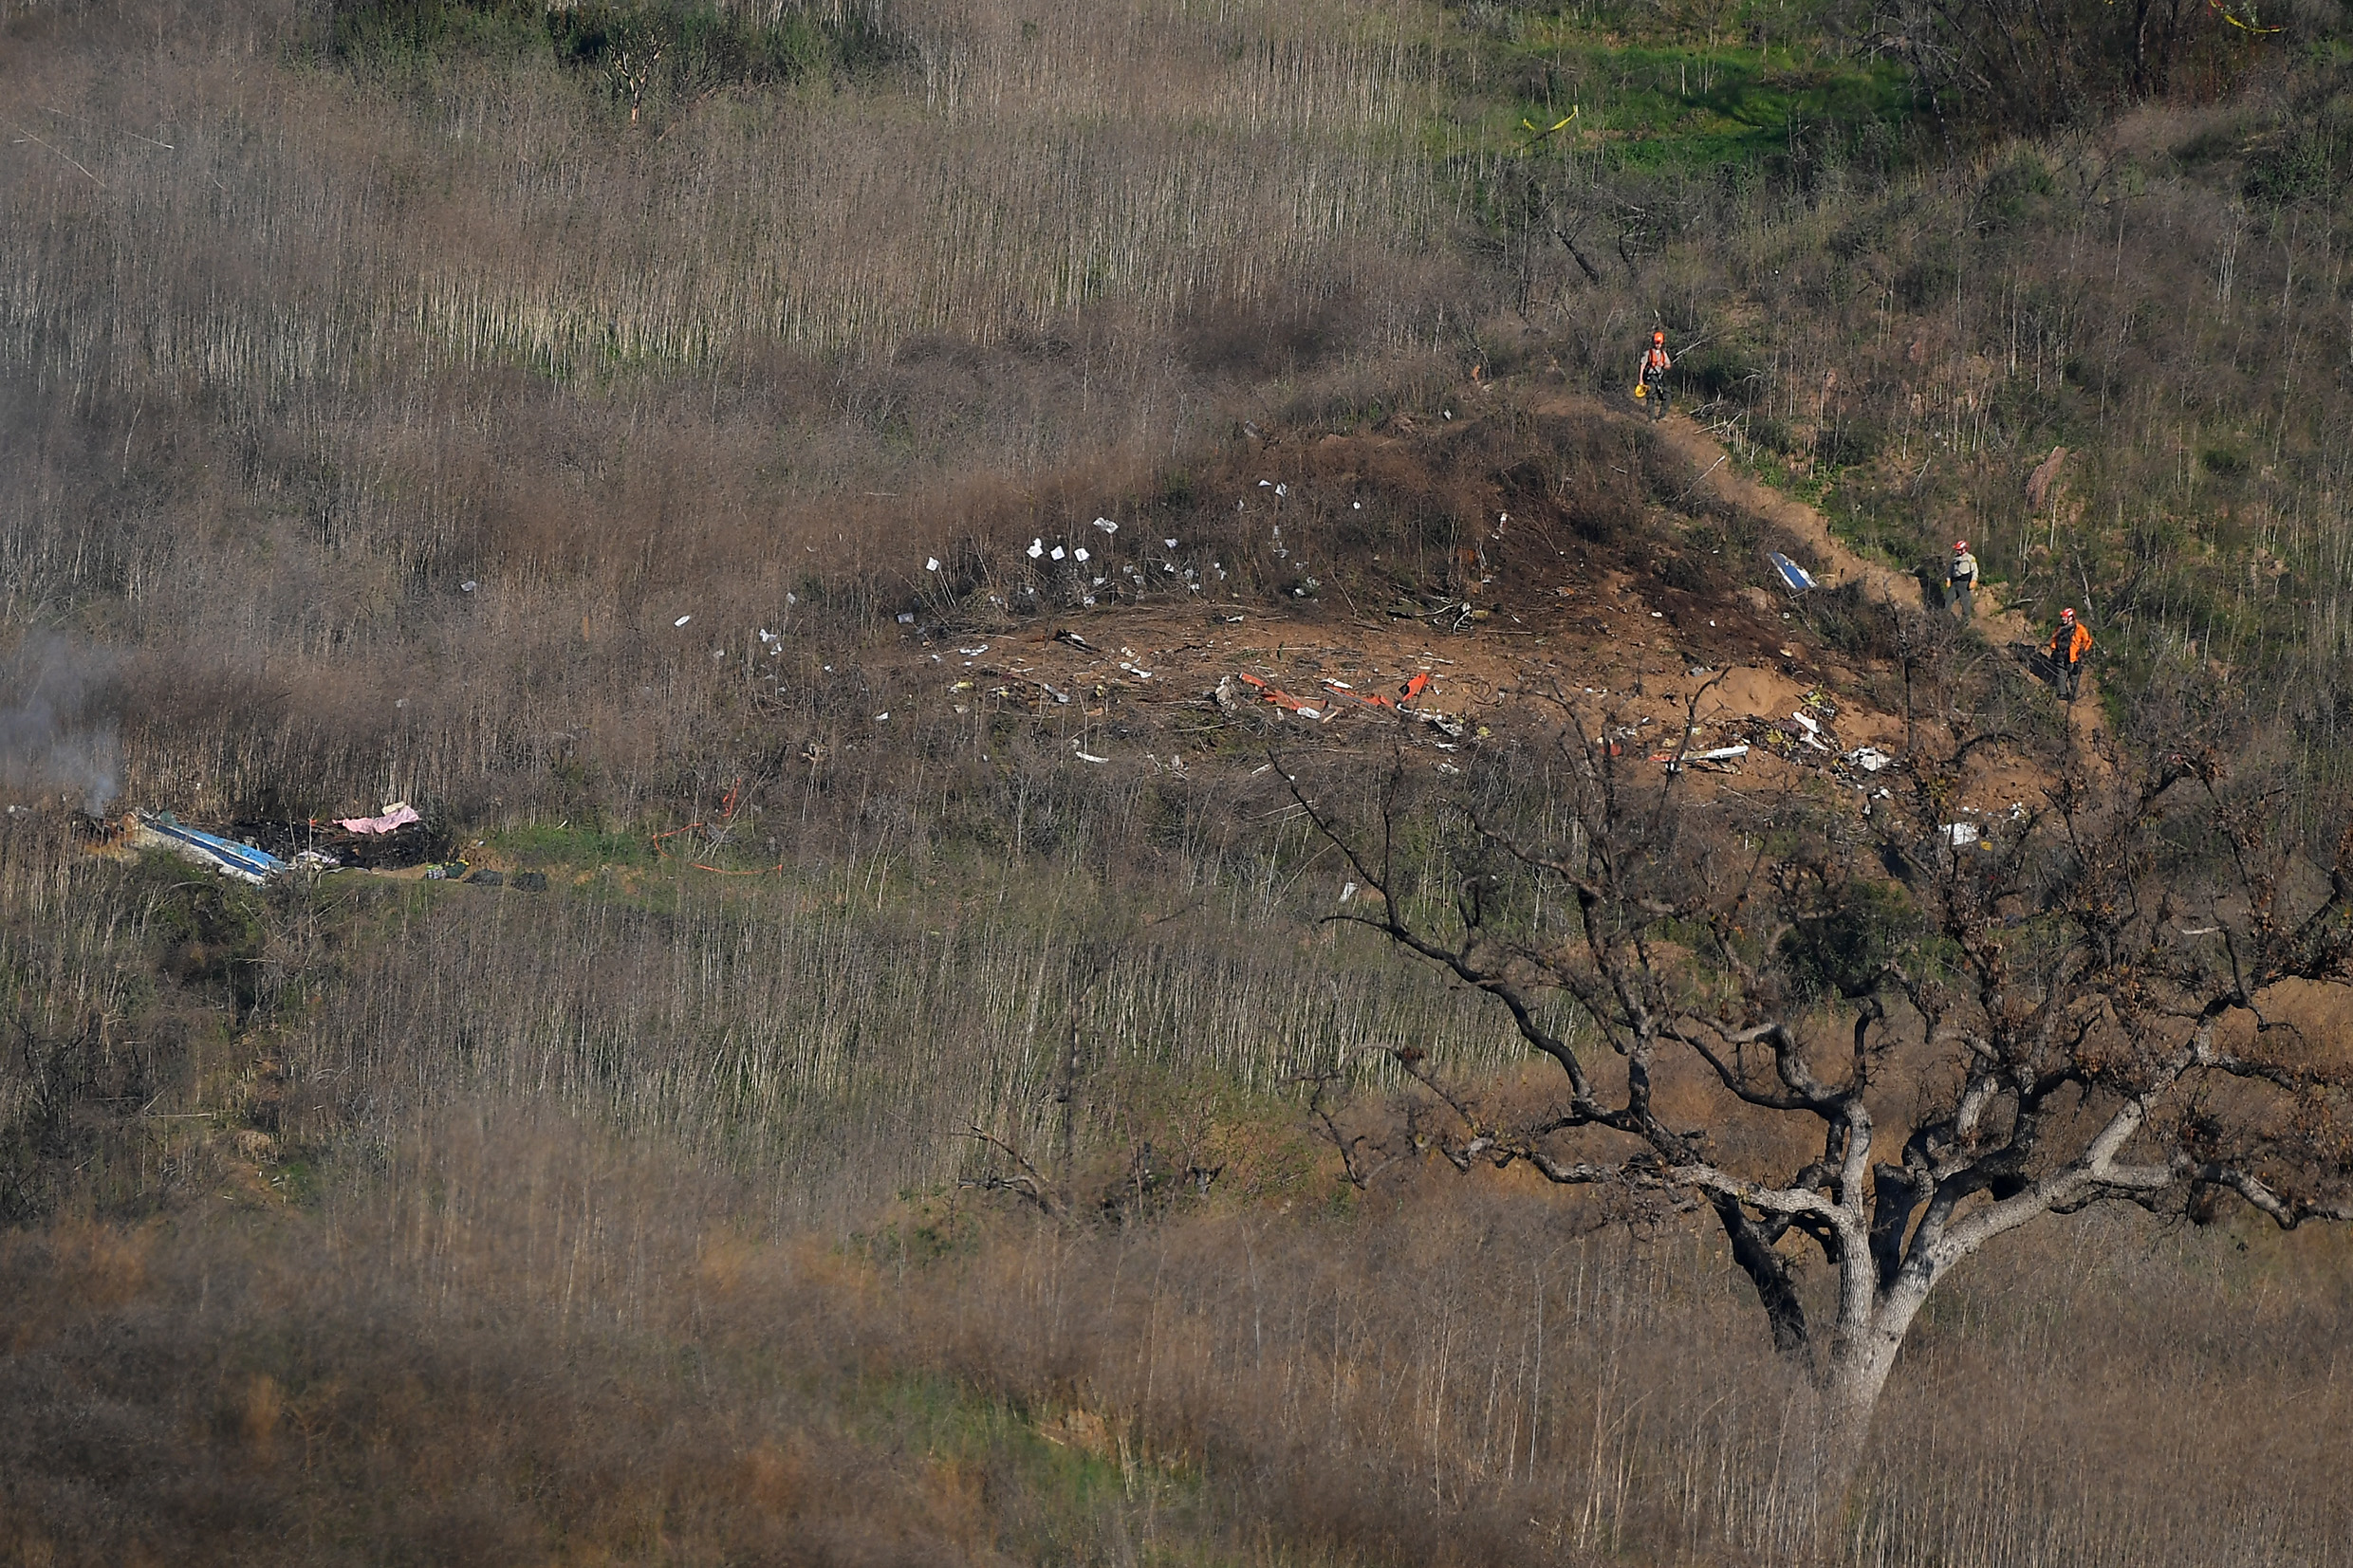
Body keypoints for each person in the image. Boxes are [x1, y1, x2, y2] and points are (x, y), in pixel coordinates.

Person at [2047, 608, 2092, 700]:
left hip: (2074, 657)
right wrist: (2054, 649)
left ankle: (2073, 696)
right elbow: (2054, 639)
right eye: (2062, 617)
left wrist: (2082, 651)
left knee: (2073, 676)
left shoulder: (2080, 629)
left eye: (2065, 617)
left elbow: (2088, 641)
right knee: (2060, 674)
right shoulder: (2059, 628)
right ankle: (2062, 693)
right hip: (2061, 655)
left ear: (2071, 618)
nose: (2063, 619)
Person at [1636, 330, 1672, 419]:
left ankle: (1661, 416)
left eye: (1659, 343)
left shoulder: (1664, 354)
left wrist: (1663, 365)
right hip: (1650, 377)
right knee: (1651, 396)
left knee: (1667, 396)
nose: (1657, 345)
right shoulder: (1648, 353)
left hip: (1659, 378)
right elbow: (1642, 365)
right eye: (1656, 343)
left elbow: (1668, 365)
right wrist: (1640, 380)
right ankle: (1651, 418)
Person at [1947, 539, 1978, 620]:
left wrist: (1973, 580)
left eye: (1959, 550)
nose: (1957, 551)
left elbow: (1975, 570)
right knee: (1948, 600)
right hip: (1954, 583)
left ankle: (1965, 620)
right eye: (1957, 550)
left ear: (1964, 549)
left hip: (1964, 583)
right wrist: (1948, 579)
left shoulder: (1970, 558)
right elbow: (1950, 570)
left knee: (1965, 603)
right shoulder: (1955, 559)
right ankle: (1945, 617)